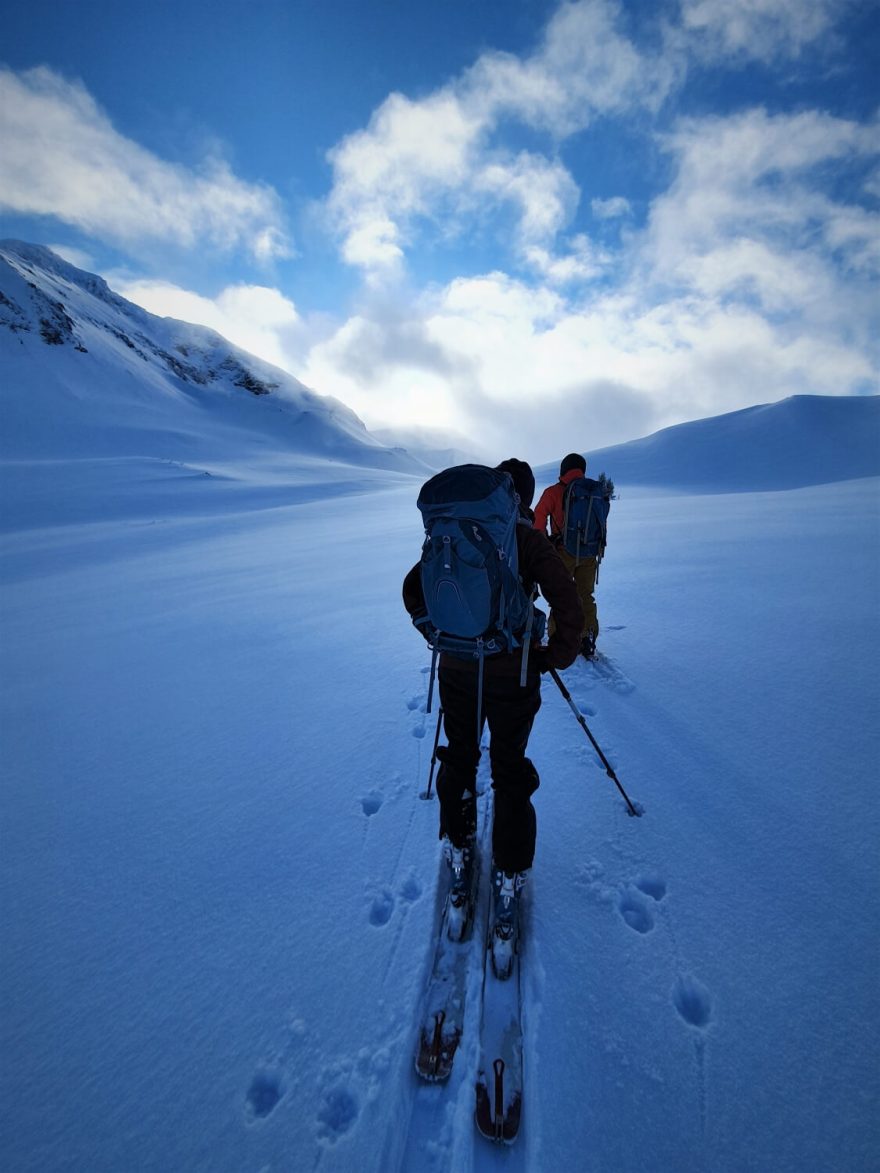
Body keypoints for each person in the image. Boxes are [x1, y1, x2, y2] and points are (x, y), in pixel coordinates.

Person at [403, 459, 582, 968]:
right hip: (513, 671)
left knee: (458, 758)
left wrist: (437, 634)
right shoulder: (524, 539)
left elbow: (412, 590)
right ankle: (508, 878)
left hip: (458, 668)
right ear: (519, 500)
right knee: (509, 770)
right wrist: (555, 655)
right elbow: (566, 598)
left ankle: (459, 855)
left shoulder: (456, 533)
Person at [533, 452, 603, 659]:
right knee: (585, 595)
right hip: (590, 552)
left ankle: (559, 637)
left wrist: (544, 544)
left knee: (560, 595)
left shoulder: (553, 492)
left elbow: (538, 519)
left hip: (563, 551)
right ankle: (587, 636)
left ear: (563, 469)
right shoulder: (592, 492)